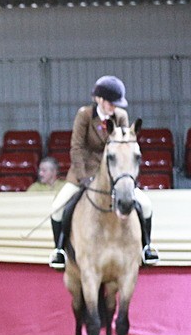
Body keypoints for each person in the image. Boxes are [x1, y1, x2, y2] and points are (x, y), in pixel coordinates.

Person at [48, 75, 158, 269]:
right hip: (84, 172)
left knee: (146, 205)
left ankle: (146, 247)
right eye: (110, 102)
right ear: (98, 99)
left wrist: (125, 177)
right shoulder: (84, 115)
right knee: (57, 209)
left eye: (116, 103)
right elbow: (76, 148)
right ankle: (60, 251)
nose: (113, 107)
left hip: (113, 175)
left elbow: (125, 148)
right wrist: (83, 177)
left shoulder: (121, 116)